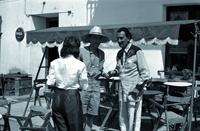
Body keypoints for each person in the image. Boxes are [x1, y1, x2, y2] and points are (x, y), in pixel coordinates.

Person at [107, 27, 150, 131]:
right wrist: (112, 72)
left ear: (129, 38)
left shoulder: (137, 51)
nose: (119, 41)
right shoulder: (119, 53)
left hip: (134, 91)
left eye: (121, 38)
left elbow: (145, 73)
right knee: (122, 117)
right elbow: (119, 68)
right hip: (122, 90)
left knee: (133, 119)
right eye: (117, 38)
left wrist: (137, 89)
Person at [46, 36, 88, 131]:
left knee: (60, 127)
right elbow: (84, 85)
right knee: (75, 126)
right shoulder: (80, 64)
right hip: (72, 96)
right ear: (77, 48)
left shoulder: (54, 63)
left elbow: (50, 82)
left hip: (57, 97)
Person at [79, 26, 109, 131]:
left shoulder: (101, 54)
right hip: (83, 86)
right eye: (94, 38)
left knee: (92, 113)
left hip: (96, 86)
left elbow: (101, 68)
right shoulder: (81, 51)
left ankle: (88, 129)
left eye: (99, 38)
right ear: (90, 39)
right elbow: (75, 68)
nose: (97, 40)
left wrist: (101, 72)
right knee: (81, 112)